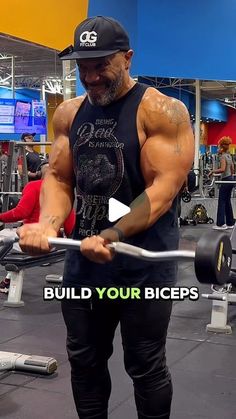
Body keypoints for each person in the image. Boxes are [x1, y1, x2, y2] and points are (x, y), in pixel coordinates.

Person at [17, 16, 194, 419]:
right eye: (83, 67)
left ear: (128, 59)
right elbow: (60, 177)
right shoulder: (68, 113)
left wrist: (114, 235)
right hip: (84, 262)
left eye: (102, 66)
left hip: (143, 264)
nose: (91, 77)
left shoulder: (162, 111)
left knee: (145, 364)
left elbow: (163, 190)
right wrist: (47, 224)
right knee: (84, 360)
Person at [0, 160, 75, 293]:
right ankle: (6, 282)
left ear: (40, 172)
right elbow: (70, 226)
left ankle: (7, 283)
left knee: (7, 238)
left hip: (31, 242)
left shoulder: (33, 186)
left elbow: (21, 213)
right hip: (53, 244)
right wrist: (69, 245)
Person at [209, 136, 235, 230]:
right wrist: (230, 177)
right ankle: (230, 223)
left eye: (219, 146)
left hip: (226, 180)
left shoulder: (223, 157)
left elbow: (223, 169)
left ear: (222, 147)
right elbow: (232, 169)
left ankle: (221, 224)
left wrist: (213, 171)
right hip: (231, 179)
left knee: (222, 201)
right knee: (227, 201)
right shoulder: (229, 156)